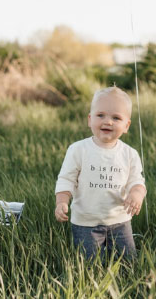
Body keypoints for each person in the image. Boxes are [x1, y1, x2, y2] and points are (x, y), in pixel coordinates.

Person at [54, 86, 147, 261]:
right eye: (100, 115)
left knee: (128, 261)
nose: (108, 122)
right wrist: (61, 202)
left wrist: (136, 194)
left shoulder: (129, 154)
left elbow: (137, 181)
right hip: (85, 221)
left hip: (120, 220)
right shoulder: (78, 150)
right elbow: (66, 179)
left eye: (116, 118)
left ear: (126, 125)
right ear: (90, 119)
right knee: (89, 264)